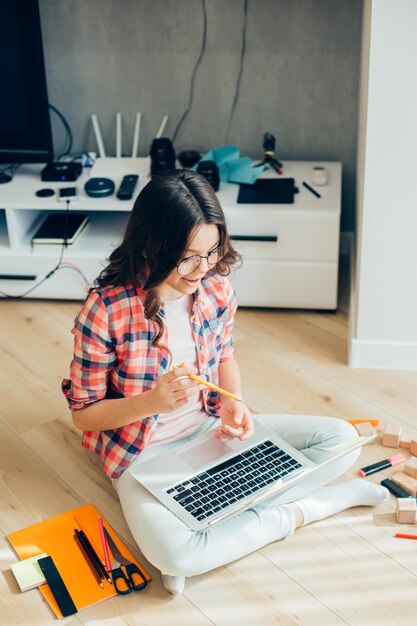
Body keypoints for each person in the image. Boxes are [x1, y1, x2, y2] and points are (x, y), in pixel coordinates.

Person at [62, 169, 388, 596]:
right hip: (141, 455)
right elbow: (83, 417)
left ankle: (218, 523)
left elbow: (226, 355)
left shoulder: (214, 288)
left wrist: (235, 402)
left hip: (209, 430)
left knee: (343, 439)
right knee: (178, 556)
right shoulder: (105, 310)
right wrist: (151, 402)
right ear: (150, 246)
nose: (203, 269)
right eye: (188, 257)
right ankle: (306, 508)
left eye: (212, 252)